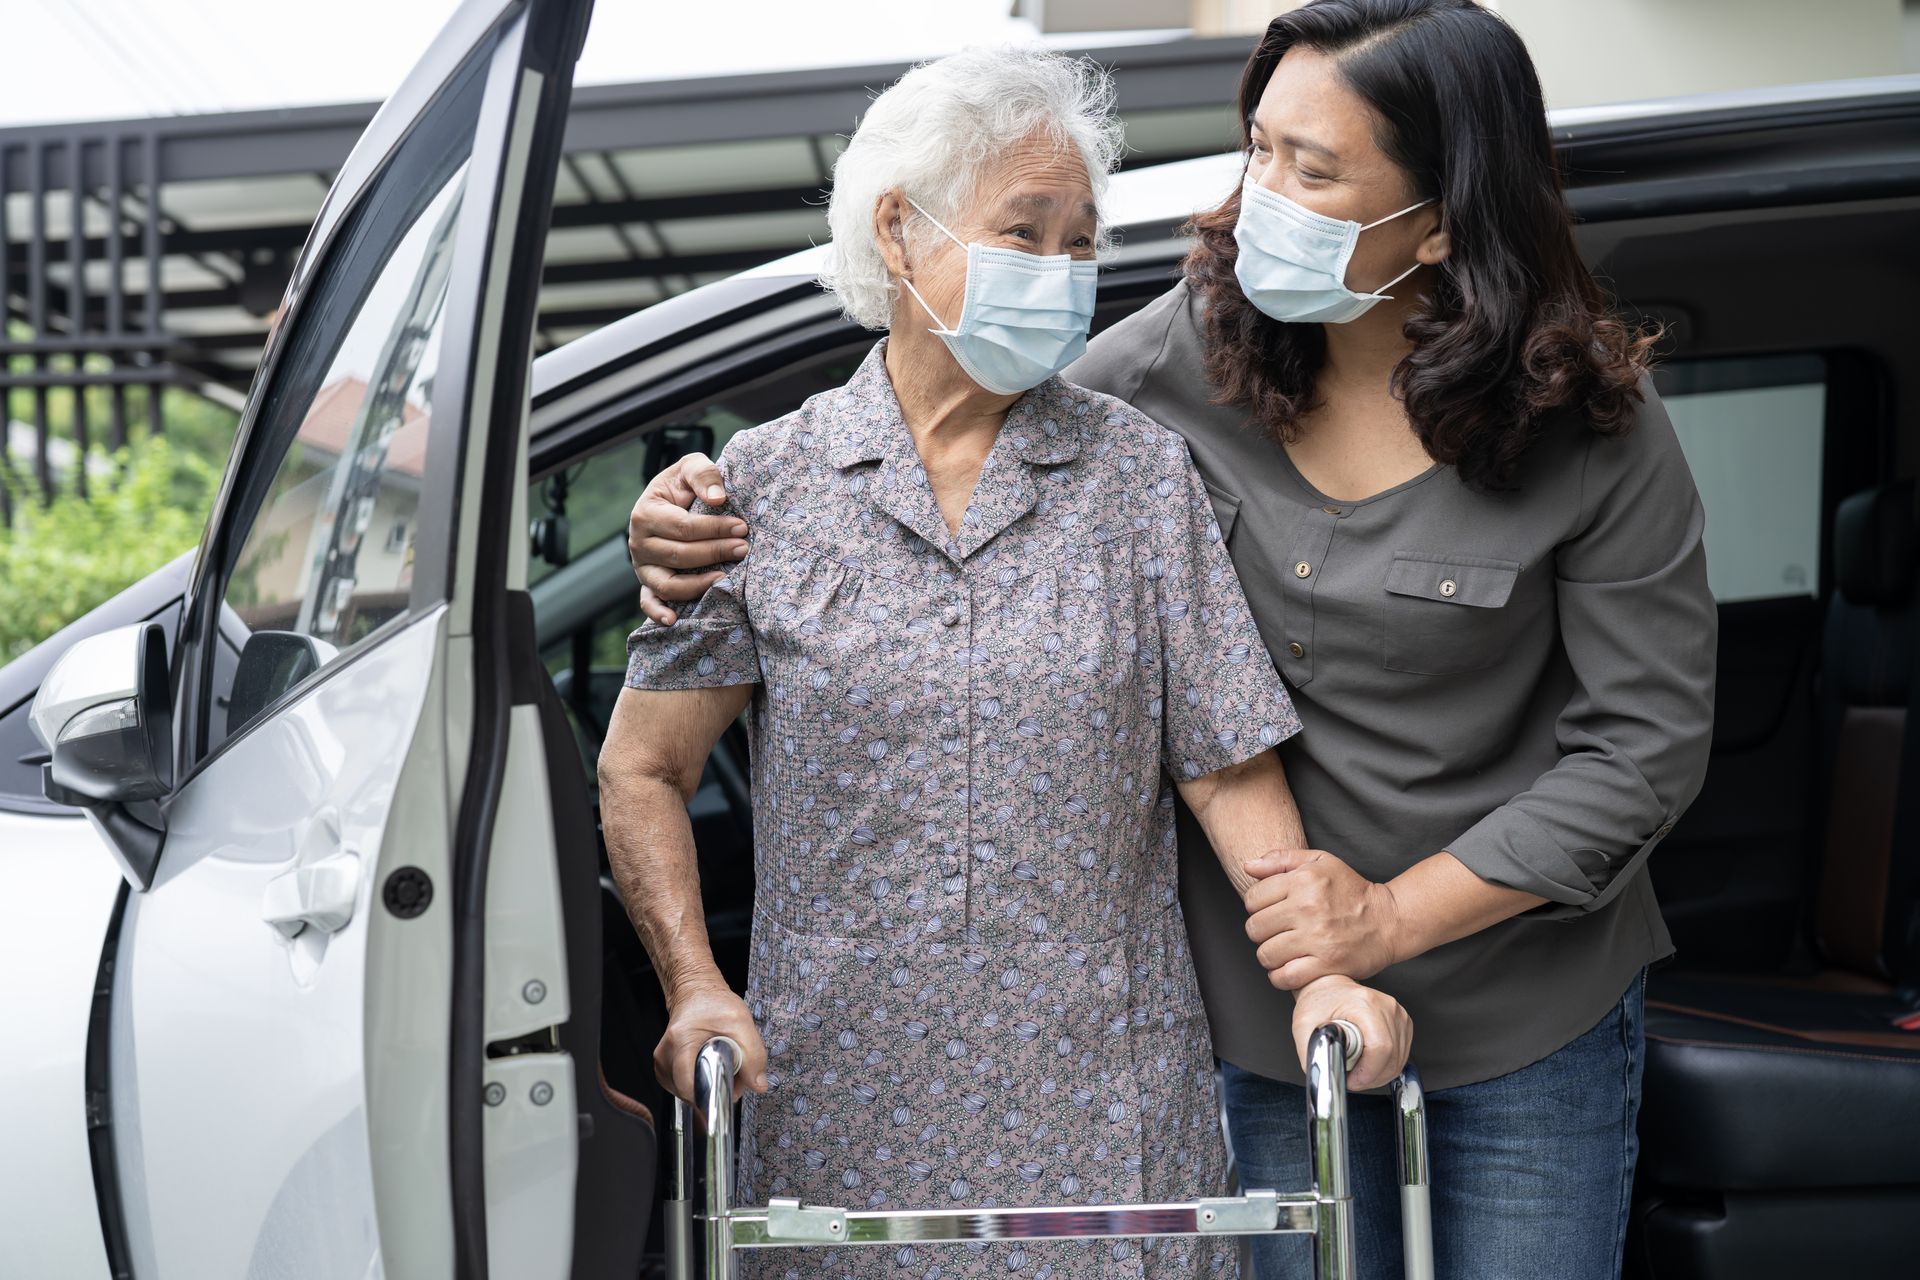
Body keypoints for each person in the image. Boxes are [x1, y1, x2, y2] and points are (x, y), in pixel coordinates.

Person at [624, 4, 1719, 1278]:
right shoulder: (1177, 364)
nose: (1260, 198)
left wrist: (1383, 920)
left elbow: (1644, 746)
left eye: (1312, 171)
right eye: (1258, 148)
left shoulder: (1588, 423)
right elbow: (971, 415)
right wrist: (687, 529)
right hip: (1266, 1011)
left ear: (1437, 217)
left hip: (1523, 993)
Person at [599, 45, 1413, 1280]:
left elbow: (1226, 767)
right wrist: (694, 988)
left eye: (1080, 243)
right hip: (841, 1111)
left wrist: (1323, 979)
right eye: (1022, 231)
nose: (1060, 272)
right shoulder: (759, 487)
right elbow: (643, 767)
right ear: (899, 232)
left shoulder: (1139, 478)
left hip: (1105, 1103)